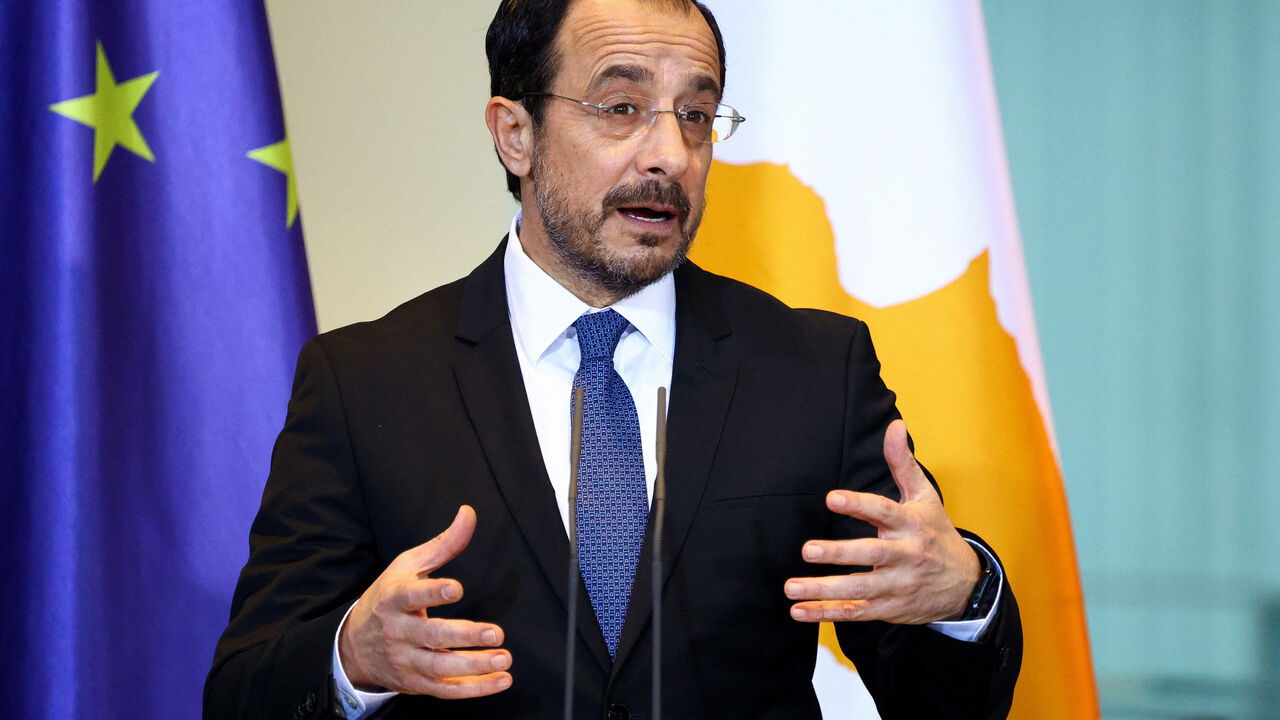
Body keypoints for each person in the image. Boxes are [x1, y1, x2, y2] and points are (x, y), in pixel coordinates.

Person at [204, 0, 1022, 718]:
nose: (671, 155)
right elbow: (242, 693)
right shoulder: (364, 383)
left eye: (696, 115)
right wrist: (352, 658)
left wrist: (964, 595)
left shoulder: (813, 372)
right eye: (622, 107)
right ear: (515, 134)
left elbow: (941, 703)